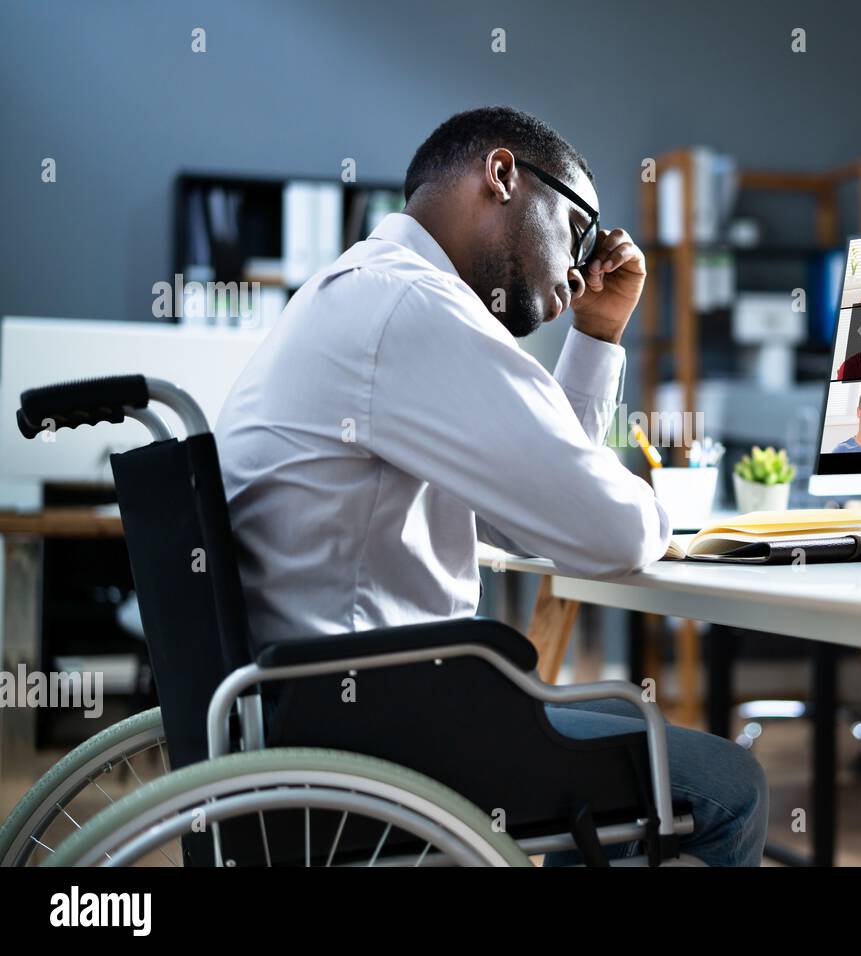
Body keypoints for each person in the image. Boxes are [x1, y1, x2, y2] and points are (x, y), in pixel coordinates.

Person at [215, 107, 766, 866]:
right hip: (374, 737)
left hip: (308, 714)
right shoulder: (412, 306)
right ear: (503, 175)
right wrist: (678, 510)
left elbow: (531, 516)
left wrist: (597, 335)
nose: (580, 270)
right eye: (577, 228)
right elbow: (610, 532)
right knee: (723, 787)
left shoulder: (360, 292)